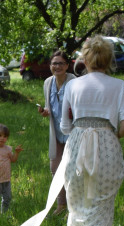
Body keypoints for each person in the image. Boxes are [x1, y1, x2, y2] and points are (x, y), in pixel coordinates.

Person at [60, 35, 124, 226]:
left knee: (78, 207)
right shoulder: (120, 86)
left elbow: (64, 126)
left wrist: (82, 131)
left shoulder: (72, 85)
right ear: (109, 60)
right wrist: (109, 135)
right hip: (106, 150)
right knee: (101, 208)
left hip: (77, 148)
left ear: (85, 59)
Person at [38, 50, 75, 213]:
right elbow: (50, 106)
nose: (57, 66)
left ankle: (74, 206)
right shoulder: (48, 83)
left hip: (73, 133)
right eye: (54, 63)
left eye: (61, 63)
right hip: (56, 133)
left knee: (72, 170)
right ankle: (61, 205)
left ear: (67, 65)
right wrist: (45, 111)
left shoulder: (74, 82)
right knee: (55, 168)